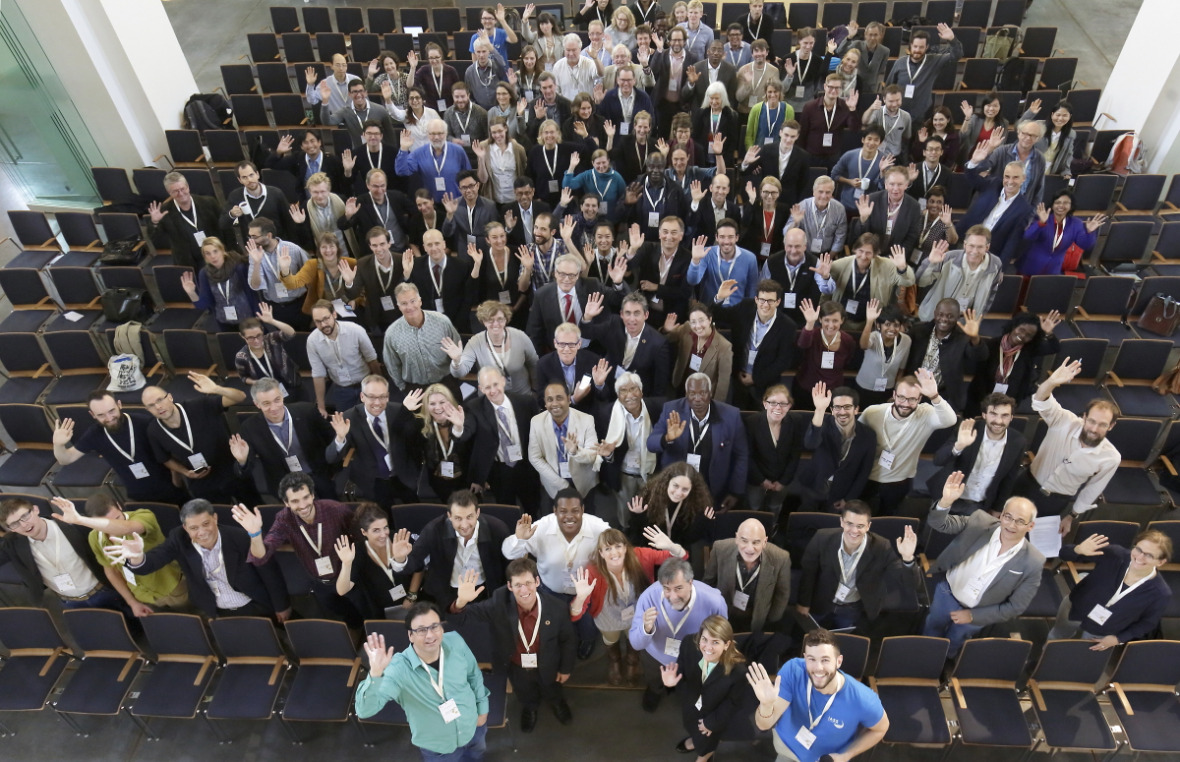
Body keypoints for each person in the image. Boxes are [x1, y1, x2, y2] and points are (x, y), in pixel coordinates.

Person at [923, 473, 1045, 658]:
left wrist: (973, 616)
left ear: (1030, 526)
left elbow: (1016, 606)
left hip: (978, 612)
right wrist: (946, 502)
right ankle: (925, 653)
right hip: (947, 594)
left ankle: (943, 661)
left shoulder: (1034, 561)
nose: (1011, 525)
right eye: (1008, 517)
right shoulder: (980, 521)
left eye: (1020, 521)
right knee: (932, 627)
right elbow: (939, 523)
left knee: (955, 641)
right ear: (1001, 515)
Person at [109, 498, 291, 620]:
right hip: (215, 609)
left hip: (253, 603)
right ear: (185, 528)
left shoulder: (240, 537)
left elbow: (270, 573)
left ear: (215, 518)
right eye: (194, 528)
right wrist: (137, 557)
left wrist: (282, 606)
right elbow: (150, 564)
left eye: (206, 524)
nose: (202, 532)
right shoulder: (178, 538)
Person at [449, 558, 575, 732]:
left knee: (552, 688)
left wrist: (566, 668)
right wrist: (461, 601)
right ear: (509, 586)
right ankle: (530, 709)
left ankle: (557, 703)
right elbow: (460, 619)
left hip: (549, 663)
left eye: (528, 583)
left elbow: (568, 639)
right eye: (517, 585)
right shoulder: (498, 603)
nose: (524, 590)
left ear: (537, 582)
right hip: (515, 665)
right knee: (524, 692)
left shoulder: (557, 607)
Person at [354, 603, 491, 761]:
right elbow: (364, 711)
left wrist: (482, 710)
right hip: (439, 747)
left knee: (476, 757)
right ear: (410, 635)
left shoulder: (455, 641)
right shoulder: (398, 669)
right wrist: (376, 673)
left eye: (435, 626)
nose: (430, 635)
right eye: (421, 630)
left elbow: (473, 675)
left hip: (473, 726)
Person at [238, 471, 363, 626]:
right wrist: (255, 534)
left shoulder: (336, 510)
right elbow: (261, 556)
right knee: (340, 610)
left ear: (312, 495)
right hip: (318, 580)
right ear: (286, 503)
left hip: (349, 573)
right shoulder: (284, 519)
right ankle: (354, 626)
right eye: (295, 501)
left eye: (306, 497)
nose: (303, 505)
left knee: (363, 608)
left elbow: (360, 536)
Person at [1013, 358, 1121, 534]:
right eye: (1091, 421)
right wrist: (1052, 382)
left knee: (1025, 539)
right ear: (1084, 417)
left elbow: (1092, 489)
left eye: (1102, 425)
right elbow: (1040, 400)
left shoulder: (1111, 457)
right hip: (1026, 484)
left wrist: (1072, 515)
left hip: (1054, 501)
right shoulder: (1065, 420)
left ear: (1111, 426)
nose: (1094, 429)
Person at [748, 628, 890, 762]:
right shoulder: (793, 670)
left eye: (825, 660)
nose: (818, 668)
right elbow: (763, 725)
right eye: (811, 659)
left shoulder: (863, 698)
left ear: (838, 661)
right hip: (786, 748)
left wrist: (846, 755)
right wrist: (766, 705)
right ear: (805, 658)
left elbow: (880, 729)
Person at [571, 527, 687, 685]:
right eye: (608, 548)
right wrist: (580, 598)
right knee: (610, 640)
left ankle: (633, 661)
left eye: (618, 546)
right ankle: (615, 661)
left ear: (626, 547)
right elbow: (575, 614)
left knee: (635, 639)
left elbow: (681, 558)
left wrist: (672, 546)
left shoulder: (641, 555)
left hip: (637, 613)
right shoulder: (592, 570)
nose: (614, 553)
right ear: (601, 553)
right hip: (608, 618)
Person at [502, 489, 611, 658]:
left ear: (582, 510)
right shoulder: (541, 527)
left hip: (585, 593)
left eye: (575, 511)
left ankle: (587, 642)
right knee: (554, 626)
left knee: (588, 627)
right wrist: (519, 539)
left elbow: (618, 549)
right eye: (563, 511)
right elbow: (509, 553)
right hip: (550, 592)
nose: (569, 516)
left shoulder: (599, 528)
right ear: (554, 511)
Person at [797, 501, 921, 632]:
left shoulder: (881, 546)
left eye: (860, 526)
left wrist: (908, 558)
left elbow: (910, 585)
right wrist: (803, 603)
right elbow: (808, 573)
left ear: (868, 526)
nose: (854, 531)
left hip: (852, 607)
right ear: (842, 522)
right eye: (849, 524)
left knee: (842, 637)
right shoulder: (822, 538)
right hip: (821, 600)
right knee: (809, 633)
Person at [52, 391, 188, 504]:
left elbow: (171, 451)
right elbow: (66, 459)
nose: (109, 418)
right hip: (137, 494)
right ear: (92, 415)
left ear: (119, 404)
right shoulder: (94, 434)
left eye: (111, 411)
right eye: (101, 415)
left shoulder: (144, 423)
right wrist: (58, 445)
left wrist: (176, 479)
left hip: (169, 487)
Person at [629, 556, 728, 712]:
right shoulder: (648, 597)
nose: (673, 596)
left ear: (690, 582)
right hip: (656, 657)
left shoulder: (714, 601)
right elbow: (636, 643)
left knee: (691, 685)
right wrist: (646, 628)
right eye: (666, 589)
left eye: (678, 588)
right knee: (655, 680)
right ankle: (655, 691)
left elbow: (723, 635)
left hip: (695, 657)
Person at [61, 494, 188, 614]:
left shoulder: (144, 516)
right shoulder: (95, 537)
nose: (111, 527)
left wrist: (80, 520)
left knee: (197, 618)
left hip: (173, 587)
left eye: (116, 519)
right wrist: (132, 602)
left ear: (119, 506)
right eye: (103, 523)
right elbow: (111, 571)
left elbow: (127, 528)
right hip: (142, 594)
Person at [142, 373, 257, 505]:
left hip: (231, 470)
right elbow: (165, 459)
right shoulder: (153, 431)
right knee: (220, 518)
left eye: (159, 400)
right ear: (147, 410)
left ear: (170, 397)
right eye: (151, 405)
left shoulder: (200, 406)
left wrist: (216, 389)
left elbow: (240, 397)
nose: (158, 407)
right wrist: (185, 472)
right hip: (202, 482)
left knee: (254, 507)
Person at [1049, 530, 1173, 649]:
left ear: (1161, 562)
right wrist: (1078, 549)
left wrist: (1118, 639)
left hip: (1104, 628)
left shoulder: (1160, 593)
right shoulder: (1115, 554)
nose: (1140, 557)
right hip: (1075, 608)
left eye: (1149, 555)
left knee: (1084, 654)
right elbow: (1063, 554)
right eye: (1138, 549)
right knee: (1057, 637)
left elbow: (1148, 623)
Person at [0, 497, 126, 613]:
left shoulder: (74, 526)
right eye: (15, 524)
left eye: (25, 516)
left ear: (35, 510)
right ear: (11, 529)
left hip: (104, 590)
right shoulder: (12, 543)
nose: (24, 525)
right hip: (70, 602)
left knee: (133, 626)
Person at [391, 490, 511, 611]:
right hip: (446, 593)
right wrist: (400, 559)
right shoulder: (434, 530)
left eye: (469, 517)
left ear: (477, 513)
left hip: (484, 591)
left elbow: (509, 565)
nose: (464, 525)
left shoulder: (497, 529)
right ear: (449, 516)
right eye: (458, 518)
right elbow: (415, 562)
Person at [858, 369, 957, 513]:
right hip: (867, 476)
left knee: (888, 517)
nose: (905, 404)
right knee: (861, 516)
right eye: (901, 397)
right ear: (894, 395)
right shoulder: (873, 412)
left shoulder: (925, 414)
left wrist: (935, 396)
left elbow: (950, 420)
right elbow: (857, 441)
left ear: (920, 399)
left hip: (899, 481)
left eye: (912, 399)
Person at [648, 373, 749, 512]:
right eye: (692, 394)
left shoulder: (731, 415)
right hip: (676, 485)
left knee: (705, 525)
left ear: (710, 392)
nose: (697, 399)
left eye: (702, 393)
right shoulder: (670, 409)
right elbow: (651, 444)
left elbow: (741, 455)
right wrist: (667, 438)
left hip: (712, 487)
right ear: (686, 394)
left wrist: (736, 491)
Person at [661, 616, 749, 762]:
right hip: (691, 705)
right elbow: (681, 670)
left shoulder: (738, 671)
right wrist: (671, 683)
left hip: (713, 714)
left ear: (727, 645)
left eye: (715, 642)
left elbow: (733, 703)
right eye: (704, 639)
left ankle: (704, 756)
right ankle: (695, 740)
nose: (708, 647)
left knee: (707, 741)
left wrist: (712, 722)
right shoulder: (689, 643)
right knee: (691, 726)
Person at [232, 376, 336, 498]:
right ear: (257, 404)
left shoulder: (307, 411)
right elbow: (245, 471)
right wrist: (242, 461)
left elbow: (331, 438)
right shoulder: (249, 427)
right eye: (266, 403)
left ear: (282, 396)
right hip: (284, 483)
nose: (274, 407)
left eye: (277, 400)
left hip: (318, 474)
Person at [326, 374, 420, 507]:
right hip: (373, 479)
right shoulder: (349, 418)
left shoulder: (400, 411)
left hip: (402, 474)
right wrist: (340, 438)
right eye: (371, 397)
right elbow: (331, 458)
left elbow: (414, 442)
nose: (377, 402)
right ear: (362, 397)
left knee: (413, 510)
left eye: (382, 397)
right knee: (385, 515)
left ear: (388, 396)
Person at [929, 393, 1027, 516]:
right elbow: (938, 460)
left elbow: (1009, 480)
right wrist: (958, 446)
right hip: (948, 498)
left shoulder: (1018, 441)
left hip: (980, 505)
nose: (998, 421)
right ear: (984, 415)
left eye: (1005, 415)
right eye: (993, 414)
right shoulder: (968, 429)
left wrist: (997, 509)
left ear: (1011, 417)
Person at [713, 278, 798, 409]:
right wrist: (719, 298)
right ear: (756, 299)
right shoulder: (745, 308)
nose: (765, 305)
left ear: (778, 302)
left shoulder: (787, 326)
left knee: (762, 424)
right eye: (762, 300)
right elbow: (718, 315)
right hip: (739, 380)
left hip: (766, 386)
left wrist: (755, 379)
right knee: (740, 421)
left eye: (770, 301)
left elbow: (783, 361)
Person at [465, 366, 541, 508]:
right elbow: (469, 442)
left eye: (495, 384)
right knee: (506, 509)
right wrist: (478, 477)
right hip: (500, 470)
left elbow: (538, 434)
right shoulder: (474, 407)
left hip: (526, 466)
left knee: (533, 505)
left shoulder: (526, 402)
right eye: (487, 387)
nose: (493, 391)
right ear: (481, 389)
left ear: (503, 381)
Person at [799, 384, 878, 512]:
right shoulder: (822, 423)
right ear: (832, 409)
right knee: (807, 515)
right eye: (837, 407)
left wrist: (849, 498)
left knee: (830, 525)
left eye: (847, 407)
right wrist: (819, 410)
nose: (842, 412)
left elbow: (864, 471)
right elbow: (810, 443)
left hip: (842, 491)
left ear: (856, 409)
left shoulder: (868, 435)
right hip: (814, 484)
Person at [965, 310, 1062, 415]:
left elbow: (1054, 348)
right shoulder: (991, 345)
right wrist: (974, 338)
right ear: (1014, 326)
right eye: (1021, 330)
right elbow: (976, 355)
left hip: (1009, 402)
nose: (1023, 335)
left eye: (1029, 335)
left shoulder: (1028, 350)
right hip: (980, 399)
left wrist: (1048, 333)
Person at [526, 252, 626, 353]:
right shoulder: (542, 295)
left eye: (571, 275)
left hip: (592, 349)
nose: (566, 279)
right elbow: (535, 332)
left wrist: (618, 283)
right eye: (562, 274)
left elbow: (619, 300)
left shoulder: (592, 285)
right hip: (559, 353)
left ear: (578, 275)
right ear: (555, 273)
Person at [705, 518, 791, 633]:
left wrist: (771, 619)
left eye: (756, 542)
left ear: (765, 542)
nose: (749, 549)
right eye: (744, 541)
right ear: (736, 538)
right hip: (724, 613)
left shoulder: (781, 558)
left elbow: (782, 594)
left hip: (757, 617)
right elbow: (708, 583)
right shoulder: (720, 548)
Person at [579, 291, 671, 396]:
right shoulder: (614, 323)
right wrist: (587, 317)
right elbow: (588, 333)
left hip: (636, 395)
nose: (632, 319)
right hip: (608, 386)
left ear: (646, 315)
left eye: (637, 313)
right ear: (621, 314)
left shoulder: (659, 343)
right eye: (627, 313)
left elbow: (660, 387)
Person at [333, 503, 416, 617]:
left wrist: (412, 595)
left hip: (413, 600)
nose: (383, 534)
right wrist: (346, 564)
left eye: (385, 527)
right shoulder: (358, 551)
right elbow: (342, 590)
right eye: (376, 530)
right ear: (364, 532)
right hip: (381, 608)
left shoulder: (399, 538)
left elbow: (419, 568)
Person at [903, 299, 987, 411]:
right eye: (940, 314)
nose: (944, 319)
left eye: (950, 316)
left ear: (958, 317)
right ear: (935, 314)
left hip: (943, 395)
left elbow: (980, 356)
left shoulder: (962, 338)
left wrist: (974, 337)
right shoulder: (919, 331)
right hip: (913, 390)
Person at [397, 385, 474, 503]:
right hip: (437, 479)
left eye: (442, 402)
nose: (437, 407)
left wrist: (458, 427)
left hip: (464, 478)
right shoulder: (421, 424)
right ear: (426, 406)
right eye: (432, 404)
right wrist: (405, 410)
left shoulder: (464, 417)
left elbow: (469, 443)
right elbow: (399, 431)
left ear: (450, 402)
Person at [528, 382, 603, 503]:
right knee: (555, 519)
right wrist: (561, 484)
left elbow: (592, 456)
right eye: (550, 399)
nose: (555, 403)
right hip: (553, 482)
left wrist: (576, 451)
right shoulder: (536, 422)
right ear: (545, 403)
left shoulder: (587, 419)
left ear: (569, 399)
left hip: (583, 482)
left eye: (559, 398)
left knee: (586, 518)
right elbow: (534, 457)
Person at [305, 298, 382, 416]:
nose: (323, 324)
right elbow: (318, 374)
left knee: (373, 419)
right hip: (341, 389)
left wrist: (379, 387)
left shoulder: (355, 330)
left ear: (334, 314)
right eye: (318, 322)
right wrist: (321, 406)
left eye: (326, 319)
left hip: (365, 383)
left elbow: (371, 359)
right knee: (347, 423)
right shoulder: (312, 341)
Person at [957, 156, 1035, 270]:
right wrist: (974, 162)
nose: (1010, 181)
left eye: (1015, 177)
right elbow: (972, 178)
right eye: (1007, 177)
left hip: (989, 254)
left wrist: (1000, 268)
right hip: (965, 241)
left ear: (1024, 178)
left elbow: (1011, 242)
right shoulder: (993, 184)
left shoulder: (1024, 209)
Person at [383, 283, 462, 393]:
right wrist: (403, 387)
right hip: (415, 389)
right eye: (404, 303)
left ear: (420, 301)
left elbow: (458, 350)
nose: (410, 307)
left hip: (446, 382)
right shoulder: (391, 334)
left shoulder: (442, 322)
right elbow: (392, 365)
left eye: (413, 301)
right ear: (398, 306)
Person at [825, 234, 915, 330]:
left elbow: (908, 282)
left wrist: (902, 269)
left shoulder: (886, 265)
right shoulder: (839, 265)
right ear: (854, 249)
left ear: (875, 254)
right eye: (860, 251)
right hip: (840, 322)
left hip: (870, 323)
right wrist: (824, 277)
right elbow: (825, 293)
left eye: (868, 253)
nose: (863, 256)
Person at [916, 231, 1004, 321]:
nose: (975, 251)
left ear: (987, 247)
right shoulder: (949, 258)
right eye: (971, 246)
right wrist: (931, 263)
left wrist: (978, 318)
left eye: (980, 247)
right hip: (934, 316)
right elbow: (921, 282)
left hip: (964, 320)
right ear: (965, 245)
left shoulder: (995, 264)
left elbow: (990, 294)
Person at [884, 24, 963, 120]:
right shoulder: (900, 62)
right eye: (915, 46)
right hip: (898, 112)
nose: (917, 50)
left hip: (921, 115)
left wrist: (952, 40)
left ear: (926, 47)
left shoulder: (934, 61)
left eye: (921, 47)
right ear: (911, 46)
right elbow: (888, 87)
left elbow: (956, 56)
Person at [146, 172, 222, 269]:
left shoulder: (208, 203)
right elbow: (155, 238)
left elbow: (225, 229)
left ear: (188, 187)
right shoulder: (164, 212)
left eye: (182, 189)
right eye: (175, 191)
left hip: (216, 255)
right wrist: (155, 222)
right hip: (189, 262)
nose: (181, 194)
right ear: (169, 193)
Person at [406, 229, 479, 331]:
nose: (434, 248)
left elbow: (469, 297)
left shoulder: (461, 266)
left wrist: (457, 324)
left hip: (457, 324)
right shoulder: (415, 266)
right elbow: (408, 296)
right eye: (429, 245)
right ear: (424, 248)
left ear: (444, 244)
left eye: (437, 243)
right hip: (428, 326)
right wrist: (406, 275)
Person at [1021, 189, 1106, 276]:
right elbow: (1028, 237)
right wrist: (1041, 223)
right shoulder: (1041, 218)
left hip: (1053, 269)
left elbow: (1085, 245)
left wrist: (1089, 232)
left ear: (1071, 206)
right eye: (1057, 202)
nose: (1061, 205)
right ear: (1052, 205)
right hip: (1031, 266)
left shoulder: (1076, 223)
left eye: (1065, 203)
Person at [244, 216, 310, 329]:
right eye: (250, 236)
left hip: (299, 304)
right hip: (277, 307)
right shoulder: (254, 254)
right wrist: (256, 263)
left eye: (254, 237)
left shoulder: (293, 249)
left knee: (305, 337)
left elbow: (310, 277)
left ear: (268, 235)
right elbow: (255, 285)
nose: (251, 240)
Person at [180, 237, 258, 331]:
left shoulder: (239, 266)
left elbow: (255, 287)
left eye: (215, 251)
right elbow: (204, 305)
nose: (212, 256)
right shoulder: (204, 273)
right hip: (224, 320)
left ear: (222, 250)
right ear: (204, 257)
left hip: (248, 318)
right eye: (208, 253)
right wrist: (191, 293)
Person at [745, 385, 800, 515]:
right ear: (765, 404)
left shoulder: (795, 421)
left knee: (775, 507)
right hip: (757, 478)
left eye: (783, 404)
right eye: (773, 403)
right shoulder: (752, 422)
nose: (778, 408)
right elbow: (748, 456)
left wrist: (783, 481)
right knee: (754, 507)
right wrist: (761, 480)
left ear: (789, 406)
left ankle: (771, 529)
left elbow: (795, 455)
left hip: (782, 479)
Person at [662, 301, 733, 401]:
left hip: (703, 396)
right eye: (693, 322)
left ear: (709, 319)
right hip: (681, 386)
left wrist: (716, 408)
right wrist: (666, 330)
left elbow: (723, 384)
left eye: (701, 321)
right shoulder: (686, 328)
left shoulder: (724, 347)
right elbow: (667, 339)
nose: (698, 326)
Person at [344, 227, 410, 334]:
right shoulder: (362, 264)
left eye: (382, 244)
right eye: (374, 245)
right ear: (370, 246)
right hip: (376, 319)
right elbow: (352, 295)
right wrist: (349, 282)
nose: (379, 249)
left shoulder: (403, 261)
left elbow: (411, 291)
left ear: (389, 243)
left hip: (402, 315)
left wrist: (407, 276)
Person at [968, 119, 1048, 206]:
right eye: (1024, 133)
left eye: (1033, 135)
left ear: (1038, 138)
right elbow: (981, 169)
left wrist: (1031, 213)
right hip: (995, 204)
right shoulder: (1002, 151)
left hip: (1020, 209)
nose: (1028, 138)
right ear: (1018, 133)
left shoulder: (1040, 159)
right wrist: (990, 149)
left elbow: (1039, 190)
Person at [338, 169, 414, 258]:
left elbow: (415, 213)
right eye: (375, 186)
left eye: (382, 186)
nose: (379, 190)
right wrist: (348, 215)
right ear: (367, 185)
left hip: (400, 251)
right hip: (374, 255)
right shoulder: (360, 202)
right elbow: (342, 225)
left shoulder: (397, 197)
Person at [849, 165, 923, 256]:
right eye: (892, 184)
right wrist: (863, 220)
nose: (895, 189)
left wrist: (896, 257)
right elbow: (858, 236)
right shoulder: (872, 200)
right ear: (886, 185)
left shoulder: (914, 207)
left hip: (895, 258)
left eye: (900, 184)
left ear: (906, 185)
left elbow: (911, 238)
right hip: (869, 255)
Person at [743, 115, 809, 215]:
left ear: (797, 136)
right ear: (780, 132)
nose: (788, 139)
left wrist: (799, 204)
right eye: (786, 135)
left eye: (792, 137)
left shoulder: (803, 156)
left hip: (789, 203)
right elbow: (746, 173)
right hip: (766, 200)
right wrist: (745, 163)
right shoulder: (766, 149)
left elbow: (804, 183)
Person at [794, 299, 854, 409]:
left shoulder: (847, 340)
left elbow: (848, 361)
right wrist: (810, 323)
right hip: (807, 389)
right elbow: (802, 345)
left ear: (842, 320)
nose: (831, 325)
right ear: (820, 319)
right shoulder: (813, 334)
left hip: (833, 392)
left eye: (835, 321)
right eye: (827, 320)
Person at [687, 219, 759, 308]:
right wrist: (695, 260)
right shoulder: (706, 253)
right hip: (709, 310)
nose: (726, 241)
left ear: (737, 237)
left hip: (738, 312)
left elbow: (752, 291)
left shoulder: (750, 258)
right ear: (716, 237)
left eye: (730, 237)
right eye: (722, 237)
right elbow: (693, 281)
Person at [643, 26, 699, 139]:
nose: (677, 43)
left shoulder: (692, 58)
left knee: (679, 137)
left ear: (684, 41)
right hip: (662, 104)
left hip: (681, 105)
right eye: (674, 40)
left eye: (679, 40)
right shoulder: (661, 54)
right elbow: (653, 72)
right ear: (669, 41)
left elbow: (691, 84)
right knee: (662, 137)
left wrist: (691, 84)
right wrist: (659, 50)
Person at [397, 119, 473, 202]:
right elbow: (402, 171)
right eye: (432, 134)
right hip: (431, 205)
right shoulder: (419, 153)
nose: (436, 137)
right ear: (427, 134)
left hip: (456, 202)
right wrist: (403, 149)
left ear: (446, 133)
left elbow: (468, 176)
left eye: (440, 133)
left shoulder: (458, 151)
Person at [222, 161, 294, 246]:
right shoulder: (235, 196)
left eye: (251, 175)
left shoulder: (276, 193)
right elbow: (222, 224)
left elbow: (288, 222)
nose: (249, 180)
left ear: (257, 174)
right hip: (253, 246)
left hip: (276, 243)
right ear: (239, 180)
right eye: (244, 177)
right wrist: (232, 214)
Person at [796, 75, 860, 169]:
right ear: (825, 86)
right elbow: (802, 134)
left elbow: (854, 129)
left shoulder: (845, 106)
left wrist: (852, 109)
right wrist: (801, 155)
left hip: (833, 156)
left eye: (837, 88)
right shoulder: (810, 107)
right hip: (812, 155)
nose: (834, 91)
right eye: (831, 87)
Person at [855, 302, 911, 408]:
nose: (892, 329)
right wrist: (869, 322)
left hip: (887, 389)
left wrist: (897, 392)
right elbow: (863, 345)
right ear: (878, 325)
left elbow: (901, 369)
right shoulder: (873, 337)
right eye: (887, 324)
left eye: (896, 325)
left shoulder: (906, 341)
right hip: (865, 387)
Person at [320, 79, 398, 151]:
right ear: (349, 94)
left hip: (379, 151)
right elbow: (327, 121)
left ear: (366, 92)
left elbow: (390, 135)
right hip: (359, 153)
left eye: (361, 91)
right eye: (354, 92)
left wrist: (391, 152)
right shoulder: (345, 112)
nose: (358, 94)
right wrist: (325, 101)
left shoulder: (380, 110)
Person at [784, 176, 846, 258]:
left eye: (828, 192)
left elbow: (840, 238)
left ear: (832, 193)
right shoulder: (802, 207)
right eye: (820, 192)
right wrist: (795, 223)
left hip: (827, 254)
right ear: (814, 192)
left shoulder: (839, 209)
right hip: (803, 254)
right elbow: (786, 233)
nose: (824, 196)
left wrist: (828, 258)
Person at [831, 127, 890, 213]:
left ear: (880, 143)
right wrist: (849, 181)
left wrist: (883, 171)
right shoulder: (849, 155)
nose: (871, 143)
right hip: (846, 204)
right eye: (869, 139)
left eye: (876, 140)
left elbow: (884, 188)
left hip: (869, 206)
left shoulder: (884, 161)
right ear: (863, 140)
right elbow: (834, 175)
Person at [1024, 98, 1078, 177]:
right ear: (1052, 114)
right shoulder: (1039, 125)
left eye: (1065, 115)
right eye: (1058, 115)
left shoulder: (1071, 134)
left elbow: (1068, 155)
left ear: (1070, 117)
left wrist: (1066, 171)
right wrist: (1030, 113)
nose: (1060, 119)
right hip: (1030, 167)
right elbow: (1020, 125)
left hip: (1049, 171)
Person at [343, 123, 402, 197]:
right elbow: (349, 183)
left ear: (381, 136)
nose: (373, 137)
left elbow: (402, 179)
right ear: (363, 135)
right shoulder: (356, 153)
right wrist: (348, 170)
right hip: (368, 196)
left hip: (391, 195)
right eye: (369, 133)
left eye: (376, 133)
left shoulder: (393, 152)